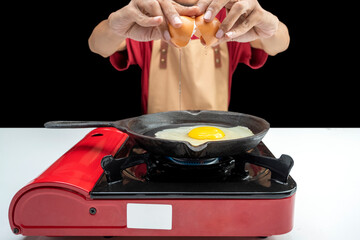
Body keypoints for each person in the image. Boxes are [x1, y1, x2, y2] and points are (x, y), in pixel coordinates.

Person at [88, 0, 289, 114]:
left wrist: (270, 26)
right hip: (156, 139)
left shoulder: (229, 19)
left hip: (216, 137)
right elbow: (98, 46)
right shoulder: (151, 17)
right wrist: (114, 24)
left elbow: (277, 45)